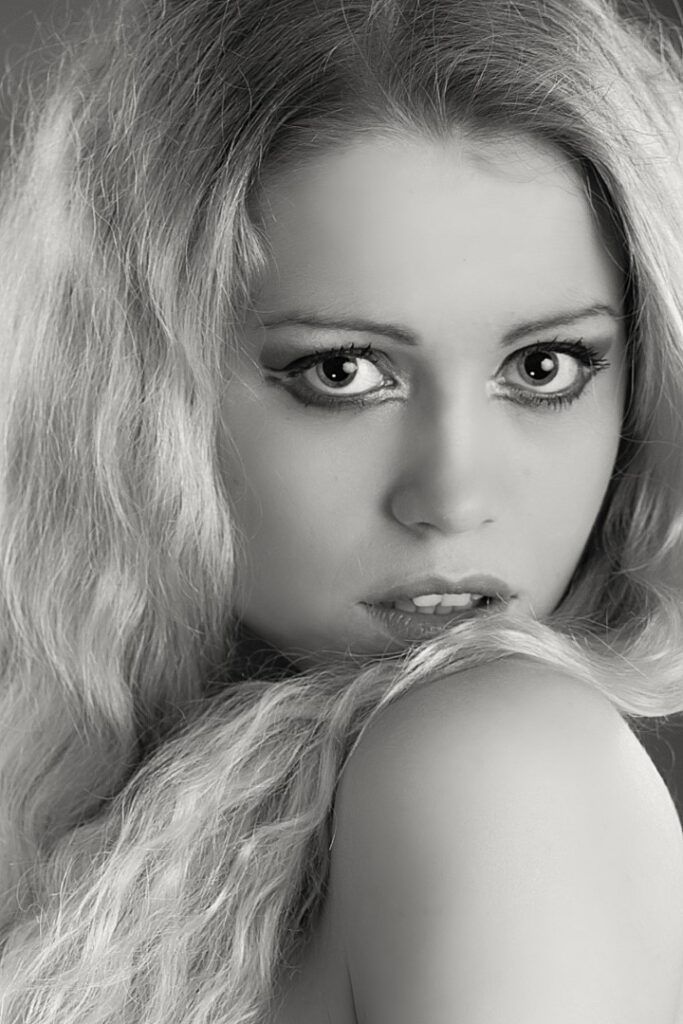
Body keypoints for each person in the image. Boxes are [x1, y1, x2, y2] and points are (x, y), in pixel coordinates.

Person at [1, 0, 683, 1019]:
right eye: (344, 371)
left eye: (543, 367)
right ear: (135, 395)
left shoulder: (504, 762)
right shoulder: (110, 816)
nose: (451, 498)